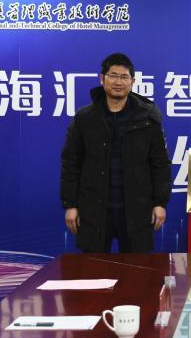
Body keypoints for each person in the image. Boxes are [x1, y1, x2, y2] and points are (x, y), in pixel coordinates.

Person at [60, 53, 172, 252]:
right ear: (102, 79)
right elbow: (71, 162)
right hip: (93, 208)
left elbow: (160, 164)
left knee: (137, 268)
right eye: (113, 76)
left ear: (132, 82)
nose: (118, 82)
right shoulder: (85, 117)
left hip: (137, 208)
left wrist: (160, 203)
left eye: (124, 77)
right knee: (93, 267)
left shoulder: (148, 117)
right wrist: (70, 204)